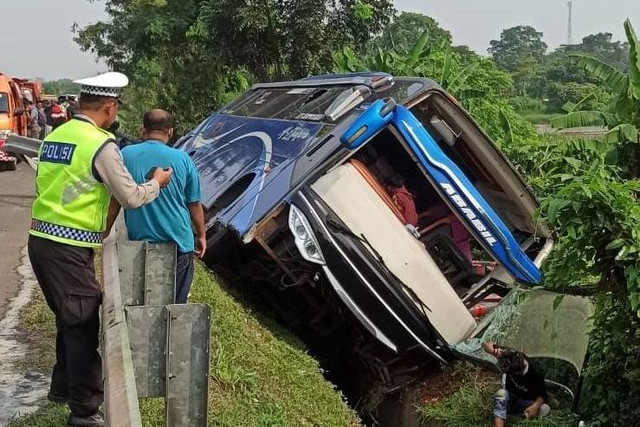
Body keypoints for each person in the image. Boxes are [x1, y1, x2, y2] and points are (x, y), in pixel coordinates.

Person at [28, 72, 173, 427]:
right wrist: (156, 182)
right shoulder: (100, 145)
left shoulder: (55, 136)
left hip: (42, 240)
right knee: (81, 322)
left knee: (68, 317)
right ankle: (84, 410)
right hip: (68, 246)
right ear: (110, 107)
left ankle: (63, 388)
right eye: (115, 108)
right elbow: (131, 197)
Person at [105, 109, 206, 304]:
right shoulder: (183, 159)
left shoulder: (125, 155)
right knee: (175, 304)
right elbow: (194, 203)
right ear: (170, 131)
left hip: (140, 244)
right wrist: (201, 235)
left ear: (143, 130)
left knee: (141, 301)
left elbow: (116, 199)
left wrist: (105, 230)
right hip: (178, 242)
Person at [484, 342, 551, 426]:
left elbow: (542, 395)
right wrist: (491, 350)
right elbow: (486, 344)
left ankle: (507, 417)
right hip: (510, 398)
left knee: (544, 409)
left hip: (526, 403)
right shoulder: (509, 354)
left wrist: (535, 406)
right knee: (501, 394)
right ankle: (500, 420)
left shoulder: (535, 371)